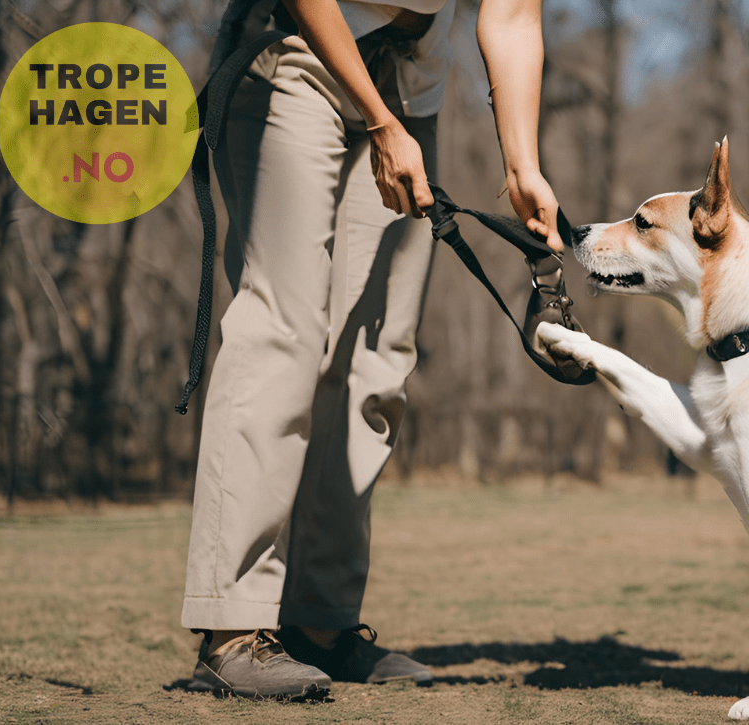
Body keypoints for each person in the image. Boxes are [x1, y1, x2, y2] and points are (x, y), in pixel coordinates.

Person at [181, 0, 565, 698]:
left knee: (375, 361)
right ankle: (231, 625)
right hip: (297, 51)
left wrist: (521, 165)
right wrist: (379, 121)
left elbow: (511, 16)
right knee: (283, 330)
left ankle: (316, 623)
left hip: (409, 90)